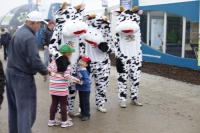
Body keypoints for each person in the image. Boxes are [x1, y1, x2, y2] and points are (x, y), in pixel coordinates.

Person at [6, 11, 49, 133]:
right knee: (26, 110)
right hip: (22, 76)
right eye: (40, 24)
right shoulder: (29, 37)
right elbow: (34, 60)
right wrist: (45, 71)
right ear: (35, 23)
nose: (40, 27)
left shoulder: (18, 32)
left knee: (14, 109)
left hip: (11, 72)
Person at [48, 44, 80, 128]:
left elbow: (49, 70)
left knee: (54, 103)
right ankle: (65, 122)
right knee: (63, 105)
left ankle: (51, 121)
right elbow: (66, 76)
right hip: (62, 87)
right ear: (68, 54)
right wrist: (74, 79)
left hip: (53, 86)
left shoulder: (54, 61)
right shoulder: (67, 63)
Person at [76, 55, 91, 121]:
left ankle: (86, 114)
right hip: (81, 89)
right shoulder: (79, 69)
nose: (81, 60)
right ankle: (82, 113)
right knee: (81, 102)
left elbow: (87, 81)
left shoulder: (84, 71)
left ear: (86, 64)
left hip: (85, 90)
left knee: (85, 102)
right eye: (81, 59)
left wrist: (79, 82)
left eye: (84, 60)